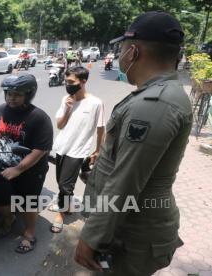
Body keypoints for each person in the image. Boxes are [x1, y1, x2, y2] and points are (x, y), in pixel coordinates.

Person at [74, 12, 192, 275]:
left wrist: (91, 237)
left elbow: (126, 181)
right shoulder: (157, 96)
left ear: (133, 52)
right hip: (129, 226)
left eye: (121, 49)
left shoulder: (155, 104)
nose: (119, 56)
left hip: (132, 235)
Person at [0, 73, 53, 254]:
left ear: (28, 94)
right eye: (8, 93)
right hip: (0, 165)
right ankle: (8, 220)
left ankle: (30, 232)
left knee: (27, 203)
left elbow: (41, 150)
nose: (11, 98)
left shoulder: (39, 117)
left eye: (17, 94)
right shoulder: (1, 109)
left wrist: (18, 169)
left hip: (29, 171)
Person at [48, 66, 105, 234]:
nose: (68, 84)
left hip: (78, 151)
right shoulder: (67, 99)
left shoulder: (96, 103)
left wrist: (98, 150)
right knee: (61, 181)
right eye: (66, 81)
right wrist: (67, 108)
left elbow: (101, 129)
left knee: (65, 185)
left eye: (71, 81)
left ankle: (60, 213)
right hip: (61, 147)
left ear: (83, 81)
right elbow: (59, 125)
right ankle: (68, 205)